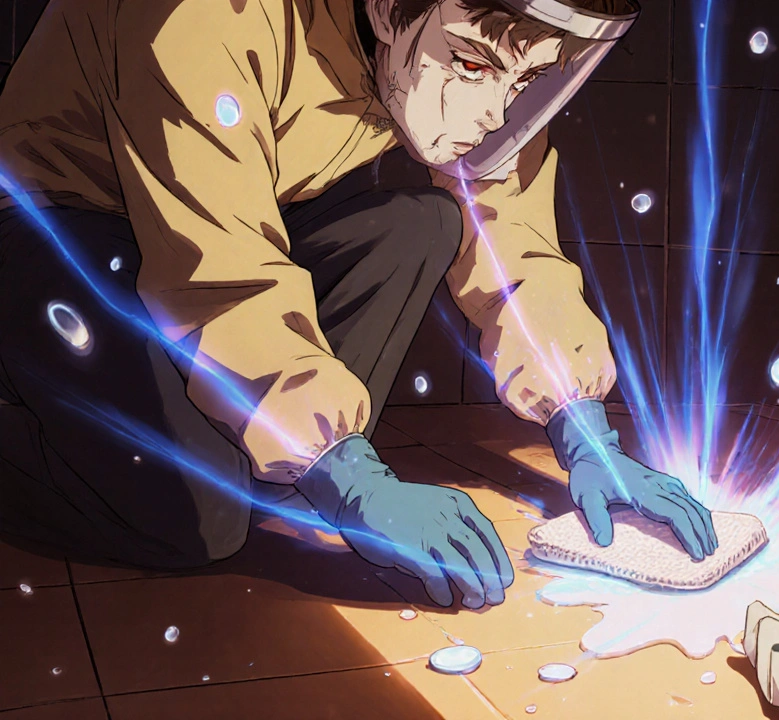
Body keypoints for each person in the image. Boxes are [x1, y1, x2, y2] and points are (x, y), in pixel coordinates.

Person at [0, 0, 716, 610]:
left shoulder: (445, 43)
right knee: (197, 521)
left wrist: (584, 430)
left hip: (227, 218)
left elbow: (509, 235)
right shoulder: (205, 16)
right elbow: (219, 269)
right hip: (55, 225)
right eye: (471, 65)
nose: (495, 109)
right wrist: (354, 481)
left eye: (525, 77)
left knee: (420, 221)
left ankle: (282, 458)